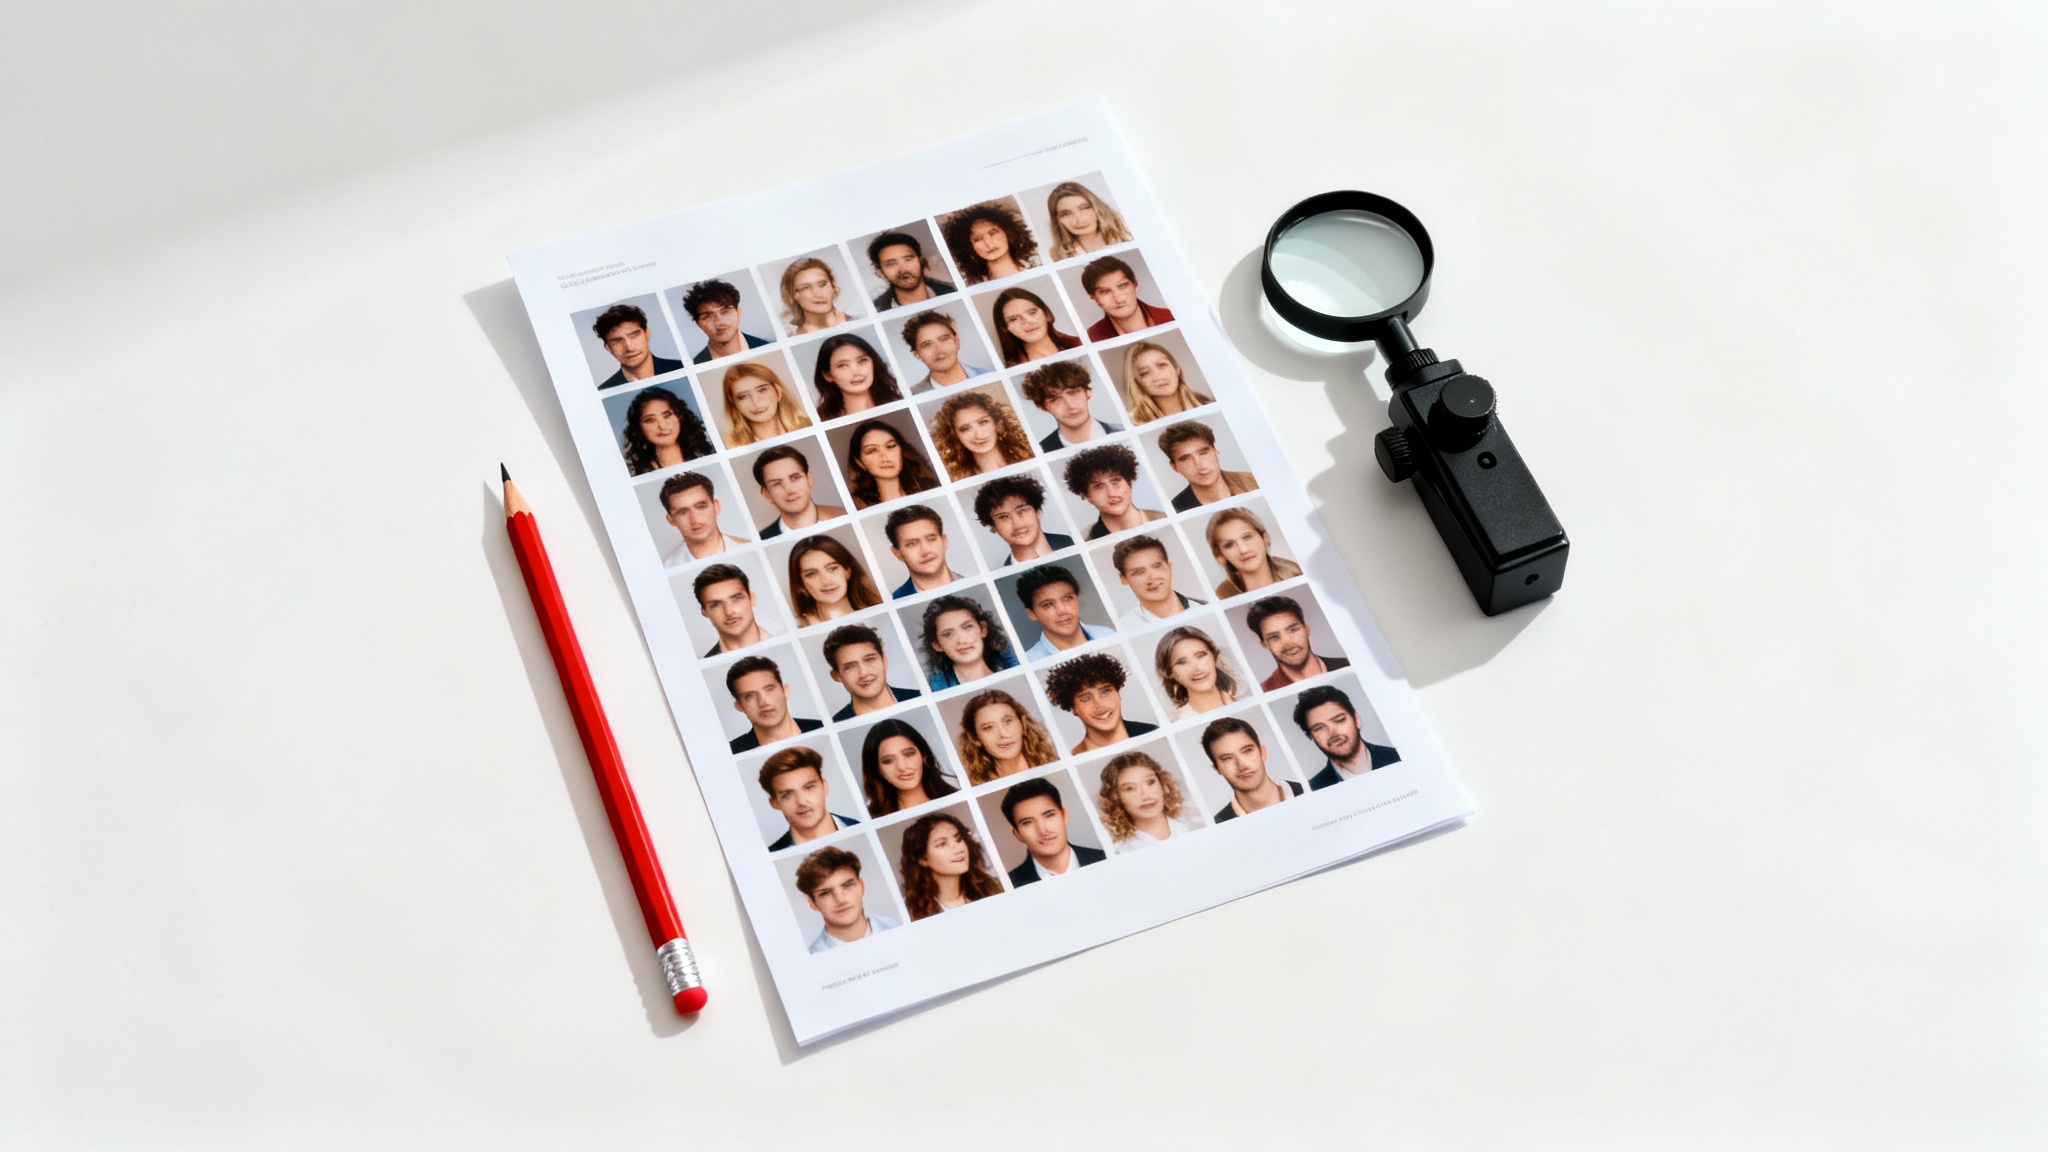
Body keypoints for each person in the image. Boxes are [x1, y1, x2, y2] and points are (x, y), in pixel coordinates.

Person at [897, 811, 1006, 920]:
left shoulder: (990, 888)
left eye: (959, 839)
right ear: (922, 859)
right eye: (942, 844)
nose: (959, 849)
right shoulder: (909, 910)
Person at [1044, 651, 1158, 755]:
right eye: (1085, 698)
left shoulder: (1153, 732)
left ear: (1118, 694)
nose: (1099, 703)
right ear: (1073, 708)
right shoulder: (1075, 756)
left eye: (1105, 691)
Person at [1291, 683, 1401, 789]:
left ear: (1356, 719)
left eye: (1339, 720)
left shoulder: (1398, 757)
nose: (1333, 733)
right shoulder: (1313, 789)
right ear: (1310, 736)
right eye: (1319, 728)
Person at [1000, 775, 1105, 886]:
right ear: (1017, 834)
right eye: (1027, 822)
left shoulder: (1104, 858)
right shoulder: (1010, 885)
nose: (1043, 830)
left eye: (1049, 815)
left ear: (1064, 815)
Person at [794, 845, 900, 952]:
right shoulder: (813, 956)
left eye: (847, 885)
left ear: (861, 886)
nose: (840, 900)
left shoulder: (894, 926)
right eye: (825, 893)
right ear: (812, 902)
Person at [757, 745, 861, 851]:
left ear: (824, 786)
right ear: (774, 802)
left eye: (809, 787)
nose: (801, 801)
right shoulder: (773, 853)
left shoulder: (860, 828)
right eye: (787, 794)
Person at [1199, 715, 1301, 822]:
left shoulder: (1311, 790)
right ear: (1217, 769)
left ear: (1262, 753)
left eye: (1247, 751)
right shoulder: (1217, 827)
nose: (1242, 766)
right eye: (1227, 758)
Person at [1245, 595, 1350, 691]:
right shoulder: (1265, 690)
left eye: (1293, 629)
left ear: (1306, 629)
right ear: (1264, 644)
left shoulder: (1346, 665)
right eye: (1274, 637)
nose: (1287, 642)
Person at [1063, 444, 1167, 539]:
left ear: (1129, 482)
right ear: (1086, 495)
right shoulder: (1085, 539)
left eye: (1115, 481)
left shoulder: (1165, 520)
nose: (1111, 493)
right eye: (1099, 486)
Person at [858, 717, 958, 817]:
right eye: (888, 761)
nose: (902, 766)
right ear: (877, 769)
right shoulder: (871, 818)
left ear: (923, 755)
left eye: (908, 754)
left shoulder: (957, 794)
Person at [954, 688, 1057, 784]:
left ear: (1022, 723)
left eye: (1008, 721)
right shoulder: (974, 786)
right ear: (975, 737)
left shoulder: (1054, 765)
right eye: (988, 728)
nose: (1003, 734)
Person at [1096, 751, 1194, 852]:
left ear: (1162, 784)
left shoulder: (1191, 826)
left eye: (1150, 782)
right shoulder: (1121, 851)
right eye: (1130, 788)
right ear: (1116, 797)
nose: (1146, 795)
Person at [929, 389, 1035, 480]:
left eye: (983, 422)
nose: (978, 434)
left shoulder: (1031, 460)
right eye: (965, 429)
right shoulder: (958, 480)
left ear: (998, 425)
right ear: (955, 436)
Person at [919, 593, 1018, 690]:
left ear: (983, 629)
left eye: (967, 627)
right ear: (937, 645)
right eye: (947, 634)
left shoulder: (1016, 672)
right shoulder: (935, 690)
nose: (962, 640)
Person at [821, 623, 919, 720]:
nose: (863, 673)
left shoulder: (918, 697)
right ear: (836, 675)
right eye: (850, 666)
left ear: (884, 661)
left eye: (869, 660)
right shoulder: (836, 724)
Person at [1020, 359, 1123, 451]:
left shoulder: (1123, 432)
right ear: (1042, 406)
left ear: (1088, 392)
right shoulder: (1041, 451)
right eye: (1055, 399)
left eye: (1073, 392)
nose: (1070, 405)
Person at [1015, 563, 1113, 660]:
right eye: (1047, 604)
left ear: (1076, 600)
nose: (1062, 610)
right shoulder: (1030, 661)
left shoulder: (1108, 635)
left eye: (1067, 598)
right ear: (1031, 614)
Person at [725, 656, 823, 752]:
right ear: (739, 706)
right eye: (749, 696)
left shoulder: (821, 728)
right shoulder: (731, 752)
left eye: (769, 690)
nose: (763, 702)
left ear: (785, 691)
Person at [973, 474, 1073, 566]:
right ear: (992, 527)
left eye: (1021, 511)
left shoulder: (1072, 544)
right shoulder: (1004, 573)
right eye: (1003, 517)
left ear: (1038, 511)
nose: (1018, 524)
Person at [1109, 534, 1206, 628]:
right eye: (1139, 572)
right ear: (1123, 579)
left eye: (1157, 566)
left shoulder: (1204, 607)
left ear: (1169, 567)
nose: (1152, 578)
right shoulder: (1123, 628)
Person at [1158, 421, 1258, 511]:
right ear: (1174, 467)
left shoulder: (1254, 481)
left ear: (1215, 451)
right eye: (1185, 459)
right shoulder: (1175, 509)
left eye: (1203, 453)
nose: (1199, 465)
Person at [843, 419, 941, 509]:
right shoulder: (857, 506)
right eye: (872, 450)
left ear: (901, 451)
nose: (884, 456)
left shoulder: (931, 488)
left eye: (890, 446)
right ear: (859, 462)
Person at [1206, 507, 1303, 597]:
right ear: (1219, 555)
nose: (1243, 549)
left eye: (1247, 537)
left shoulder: (1297, 576)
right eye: (1229, 545)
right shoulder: (1222, 596)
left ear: (1264, 538)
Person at [751, 444, 845, 538]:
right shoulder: (762, 539)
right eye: (777, 484)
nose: (790, 490)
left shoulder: (843, 516)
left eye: (795, 478)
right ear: (766, 494)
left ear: (809, 479)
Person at [620, 385, 716, 475]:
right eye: (650, 420)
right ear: (639, 428)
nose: (662, 426)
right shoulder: (635, 473)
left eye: (667, 416)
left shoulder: (709, 455)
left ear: (680, 416)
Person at [786, 535, 881, 627]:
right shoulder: (794, 628)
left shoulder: (879, 615)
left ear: (847, 571)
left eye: (832, 569)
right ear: (801, 583)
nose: (826, 580)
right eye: (811, 574)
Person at [657, 472, 750, 565]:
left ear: (716, 507)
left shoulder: (748, 548)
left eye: (700, 506)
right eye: (683, 512)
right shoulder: (669, 565)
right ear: (671, 520)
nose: (694, 518)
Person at [940, 199, 1039, 284]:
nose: (988, 243)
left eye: (993, 233)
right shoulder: (975, 286)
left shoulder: (1036, 270)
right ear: (969, 247)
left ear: (1009, 233)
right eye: (978, 239)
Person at [1152, 626, 1241, 720]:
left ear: (1214, 657)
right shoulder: (1182, 722)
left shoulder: (1241, 701)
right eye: (1181, 662)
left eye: (1201, 655)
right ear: (1169, 673)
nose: (1196, 668)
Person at [810, 332, 904, 420]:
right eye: (842, 365)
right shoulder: (820, 419)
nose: (856, 372)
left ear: (873, 363)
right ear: (828, 375)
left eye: (862, 361)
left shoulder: (900, 403)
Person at [1080, 255, 1175, 342]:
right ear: (1093, 297)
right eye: (1105, 291)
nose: (1118, 299)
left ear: (1135, 285)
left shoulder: (1171, 317)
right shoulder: (1091, 337)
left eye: (1122, 286)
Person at [590, 303, 683, 389]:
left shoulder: (680, 367)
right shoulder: (605, 389)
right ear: (608, 347)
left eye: (634, 336)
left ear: (647, 333)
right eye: (617, 341)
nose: (629, 348)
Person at [721, 360, 812, 446]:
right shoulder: (729, 444)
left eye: (762, 390)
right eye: (743, 396)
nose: (756, 402)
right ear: (733, 403)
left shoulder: (809, 426)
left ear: (778, 391)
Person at [1119, 340, 1212, 424]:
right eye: (1145, 373)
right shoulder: (1133, 424)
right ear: (1137, 383)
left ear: (1177, 369)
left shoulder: (1209, 405)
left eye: (1162, 365)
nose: (1157, 376)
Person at [681, 279, 772, 363]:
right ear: (698, 323)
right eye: (707, 316)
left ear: (738, 313)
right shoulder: (697, 364)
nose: (719, 322)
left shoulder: (768, 347)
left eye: (725, 311)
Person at [899, 310, 992, 390]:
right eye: (927, 344)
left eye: (944, 339)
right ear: (917, 354)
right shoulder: (914, 394)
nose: (939, 350)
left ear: (956, 341)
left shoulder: (989, 375)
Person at [991, 286, 1081, 367]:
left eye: (1032, 312)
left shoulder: (1081, 346)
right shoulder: (1013, 371)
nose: (1028, 321)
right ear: (1005, 328)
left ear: (1047, 314)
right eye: (1013, 319)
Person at [866, 230, 957, 310]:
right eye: (891, 264)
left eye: (908, 259)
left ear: (921, 260)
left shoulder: (952, 291)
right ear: (880, 270)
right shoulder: (877, 309)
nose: (903, 269)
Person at [884, 505, 962, 597]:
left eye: (931, 539)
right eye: (912, 544)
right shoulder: (895, 600)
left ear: (944, 541)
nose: (925, 551)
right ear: (897, 553)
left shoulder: (975, 582)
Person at [693, 564, 772, 655]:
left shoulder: (782, 635)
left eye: (736, 599)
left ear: (751, 599)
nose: (729, 612)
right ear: (705, 612)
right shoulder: (707, 660)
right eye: (716, 604)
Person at [1044, 181, 1133, 261]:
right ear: (1058, 220)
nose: (1079, 220)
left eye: (1084, 208)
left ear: (1097, 208)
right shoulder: (1057, 253)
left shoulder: (1127, 237)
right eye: (1066, 214)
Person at [779, 256, 853, 334]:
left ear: (834, 288)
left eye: (822, 284)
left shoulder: (857, 320)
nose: (818, 294)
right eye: (805, 288)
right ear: (792, 296)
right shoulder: (792, 338)